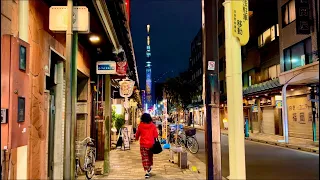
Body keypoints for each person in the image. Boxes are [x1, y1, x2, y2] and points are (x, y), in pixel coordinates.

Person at [135, 113, 158, 179]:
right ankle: (149, 166)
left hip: (143, 144)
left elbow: (137, 134)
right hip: (151, 144)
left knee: (145, 158)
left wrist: (136, 138)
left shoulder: (140, 126)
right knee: (150, 157)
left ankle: (146, 171)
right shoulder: (153, 125)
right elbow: (156, 135)